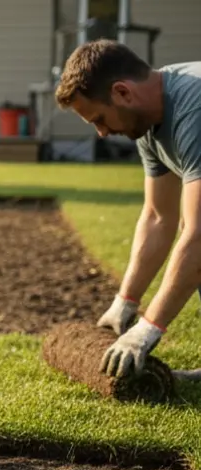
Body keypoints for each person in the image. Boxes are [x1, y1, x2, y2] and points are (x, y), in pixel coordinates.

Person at [56, 41, 201, 377]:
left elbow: (197, 235)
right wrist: (126, 301)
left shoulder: (194, 110)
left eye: (100, 119)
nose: (102, 133)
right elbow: (157, 217)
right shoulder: (148, 124)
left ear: (122, 92)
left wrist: (148, 329)